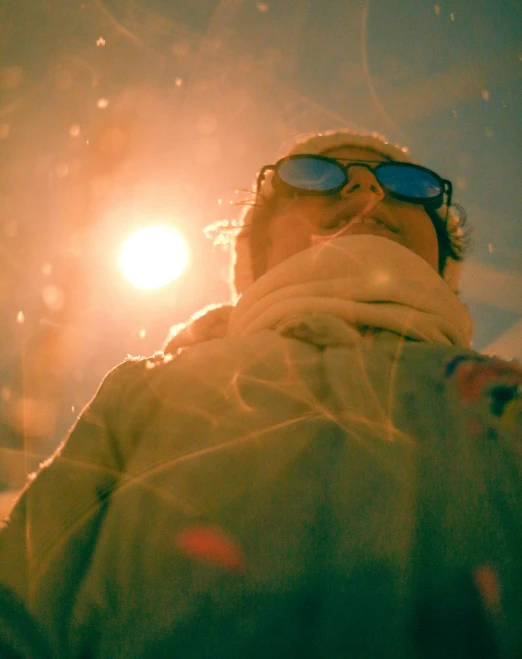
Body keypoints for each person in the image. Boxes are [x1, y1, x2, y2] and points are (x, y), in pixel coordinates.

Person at [0, 129, 520, 659]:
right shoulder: (151, 392)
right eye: (317, 175)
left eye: (407, 185)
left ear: (442, 257)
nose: (366, 192)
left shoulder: (510, 397)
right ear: (259, 248)